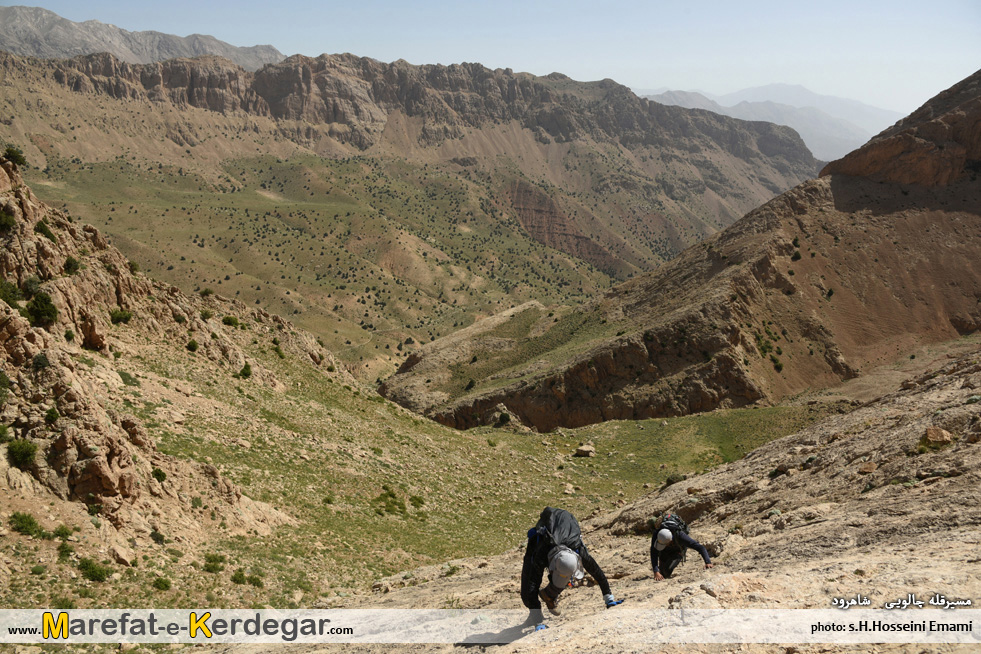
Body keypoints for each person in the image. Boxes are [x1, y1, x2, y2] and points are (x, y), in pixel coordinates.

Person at [521, 507, 622, 620]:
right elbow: (533, 584)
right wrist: (537, 620)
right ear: (552, 568)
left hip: (564, 541)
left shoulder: (578, 550)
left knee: (564, 573)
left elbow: (597, 573)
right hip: (540, 541)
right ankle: (535, 615)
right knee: (526, 595)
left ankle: (549, 596)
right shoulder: (542, 552)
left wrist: (609, 598)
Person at [650, 515, 714, 580]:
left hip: (677, 551)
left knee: (666, 573)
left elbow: (700, 547)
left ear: (671, 541)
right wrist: (656, 571)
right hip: (664, 551)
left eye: (666, 544)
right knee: (661, 573)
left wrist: (708, 562)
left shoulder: (681, 536)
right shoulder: (656, 535)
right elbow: (653, 552)